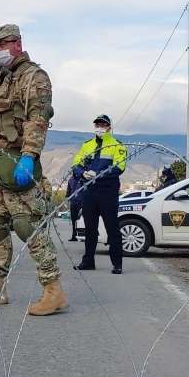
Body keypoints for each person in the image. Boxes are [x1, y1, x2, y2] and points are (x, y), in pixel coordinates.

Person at [0, 24, 67, 316]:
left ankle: (53, 291)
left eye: (2, 44)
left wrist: (29, 156)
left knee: (26, 226)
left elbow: (36, 119)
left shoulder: (34, 77)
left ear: (17, 43)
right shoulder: (0, 81)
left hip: (16, 164)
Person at [71, 114, 127, 274]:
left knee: (112, 228)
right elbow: (76, 164)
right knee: (90, 229)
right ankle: (88, 261)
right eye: (97, 125)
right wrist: (82, 173)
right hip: (89, 191)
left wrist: (99, 173)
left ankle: (117, 263)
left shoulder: (117, 145)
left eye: (103, 125)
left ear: (109, 127)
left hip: (107, 192)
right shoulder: (87, 145)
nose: (100, 128)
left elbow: (119, 167)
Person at [66, 174, 83, 241]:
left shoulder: (83, 178)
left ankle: (82, 235)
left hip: (82, 202)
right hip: (73, 202)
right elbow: (69, 190)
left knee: (82, 219)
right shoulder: (71, 179)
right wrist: (67, 198)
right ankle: (74, 235)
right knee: (74, 220)